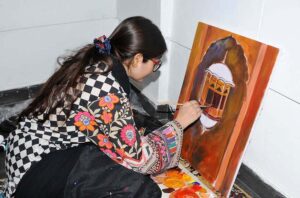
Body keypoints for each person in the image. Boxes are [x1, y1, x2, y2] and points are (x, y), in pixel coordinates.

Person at [3, 16, 202, 198]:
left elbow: (112, 135)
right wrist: (179, 123)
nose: (154, 71)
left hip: (26, 151)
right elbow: (140, 158)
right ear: (138, 58)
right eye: (155, 64)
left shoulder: (98, 63)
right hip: (37, 171)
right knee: (142, 190)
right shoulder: (107, 90)